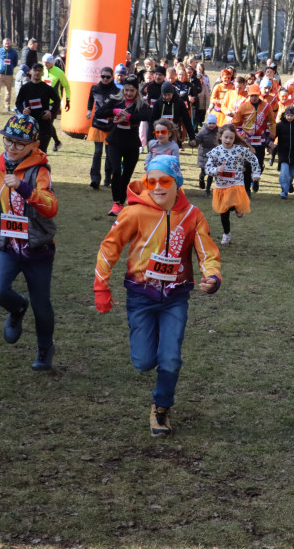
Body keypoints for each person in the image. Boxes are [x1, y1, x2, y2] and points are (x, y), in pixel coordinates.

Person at [93, 155, 221, 437]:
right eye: (152, 181)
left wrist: (212, 275)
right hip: (141, 298)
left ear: (177, 182)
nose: (158, 187)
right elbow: (109, 248)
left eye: (165, 181)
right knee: (142, 362)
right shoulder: (134, 212)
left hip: (175, 298)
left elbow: (207, 251)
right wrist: (101, 286)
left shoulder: (192, 215)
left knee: (171, 358)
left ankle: (161, 407)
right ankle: (150, 363)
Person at [0, 113, 59, 371]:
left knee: (42, 306)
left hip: (38, 248)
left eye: (19, 143)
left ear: (34, 145)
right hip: (8, 245)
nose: (12, 147)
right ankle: (17, 308)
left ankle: (45, 349)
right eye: (8, 140)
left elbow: (51, 207)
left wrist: (24, 188)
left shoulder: (40, 170)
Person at [99, 75, 150, 216]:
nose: (128, 93)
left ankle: (121, 202)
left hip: (132, 144)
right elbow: (99, 112)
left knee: (126, 174)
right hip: (115, 141)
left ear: (137, 92)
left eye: (131, 91)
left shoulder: (140, 104)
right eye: (126, 90)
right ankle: (116, 203)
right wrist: (114, 111)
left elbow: (149, 116)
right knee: (115, 171)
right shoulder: (116, 100)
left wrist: (129, 117)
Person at [204, 124, 260, 244]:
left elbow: (254, 159)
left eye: (231, 138)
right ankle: (226, 234)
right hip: (221, 185)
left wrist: (256, 174)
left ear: (235, 138)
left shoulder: (239, 150)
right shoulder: (215, 152)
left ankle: (237, 206)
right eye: (226, 137)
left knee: (229, 202)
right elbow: (207, 169)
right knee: (223, 212)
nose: (228, 140)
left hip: (236, 183)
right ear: (220, 137)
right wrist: (216, 170)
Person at [231, 84, 275, 193]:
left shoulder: (267, 106)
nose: (253, 98)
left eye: (255, 95)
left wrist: (272, 138)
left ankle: (255, 180)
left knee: (259, 164)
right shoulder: (243, 106)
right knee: (246, 165)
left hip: (261, 140)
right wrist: (234, 134)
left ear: (259, 94)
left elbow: (272, 122)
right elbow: (235, 122)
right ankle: (247, 190)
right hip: (247, 140)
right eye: (251, 95)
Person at [85, 66, 121, 189]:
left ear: (112, 77)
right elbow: (90, 99)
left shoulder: (116, 91)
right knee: (97, 152)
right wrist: (89, 110)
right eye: (103, 76)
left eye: (108, 77)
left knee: (109, 153)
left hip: (110, 125)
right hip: (97, 124)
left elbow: (119, 106)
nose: (105, 79)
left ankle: (107, 178)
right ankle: (95, 179)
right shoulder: (95, 88)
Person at [15, 63, 62, 150]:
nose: (37, 72)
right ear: (31, 72)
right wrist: (23, 110)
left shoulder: (47, 88)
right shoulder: (25, 88)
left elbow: (57, 100)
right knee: (28, 152)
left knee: (41, 152)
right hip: (29, 124)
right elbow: (18, 103)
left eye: (40, 70)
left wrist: (51, 112)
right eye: (35, 70)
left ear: (42, 73)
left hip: (44, 125)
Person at [41, 53, 71, 152]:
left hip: (54, 103)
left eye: (47, 63)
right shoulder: (41, 71)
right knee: (45, 124)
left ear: (52, 62)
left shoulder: (59, 72)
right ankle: (57, 142)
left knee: (48, 124)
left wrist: (68, 100)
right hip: (42, 101)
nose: (45, 65)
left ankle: (44, 149)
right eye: (44, 63)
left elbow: (66, 86)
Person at [194, 113, 220, 195]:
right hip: (204, 154)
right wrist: (194, 142)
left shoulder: (219, 132)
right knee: (204, 172)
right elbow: (197, 140)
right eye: (210, 123)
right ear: (207, 123)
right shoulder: (202, 132)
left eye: (213, 123)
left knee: (211, 173)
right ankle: (201, 179)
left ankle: (208, 189)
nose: (212, 125)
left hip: (214, 155)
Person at [0, 38, 19, 112]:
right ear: (3, 44)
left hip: (9, 75)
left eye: (8, 43)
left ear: (11, 43)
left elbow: (15, 63)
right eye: (5, 43)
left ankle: (7, 106)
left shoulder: (14, 52)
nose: (7, 44)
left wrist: (10, 68)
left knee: (8, 91)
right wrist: (0, 67)